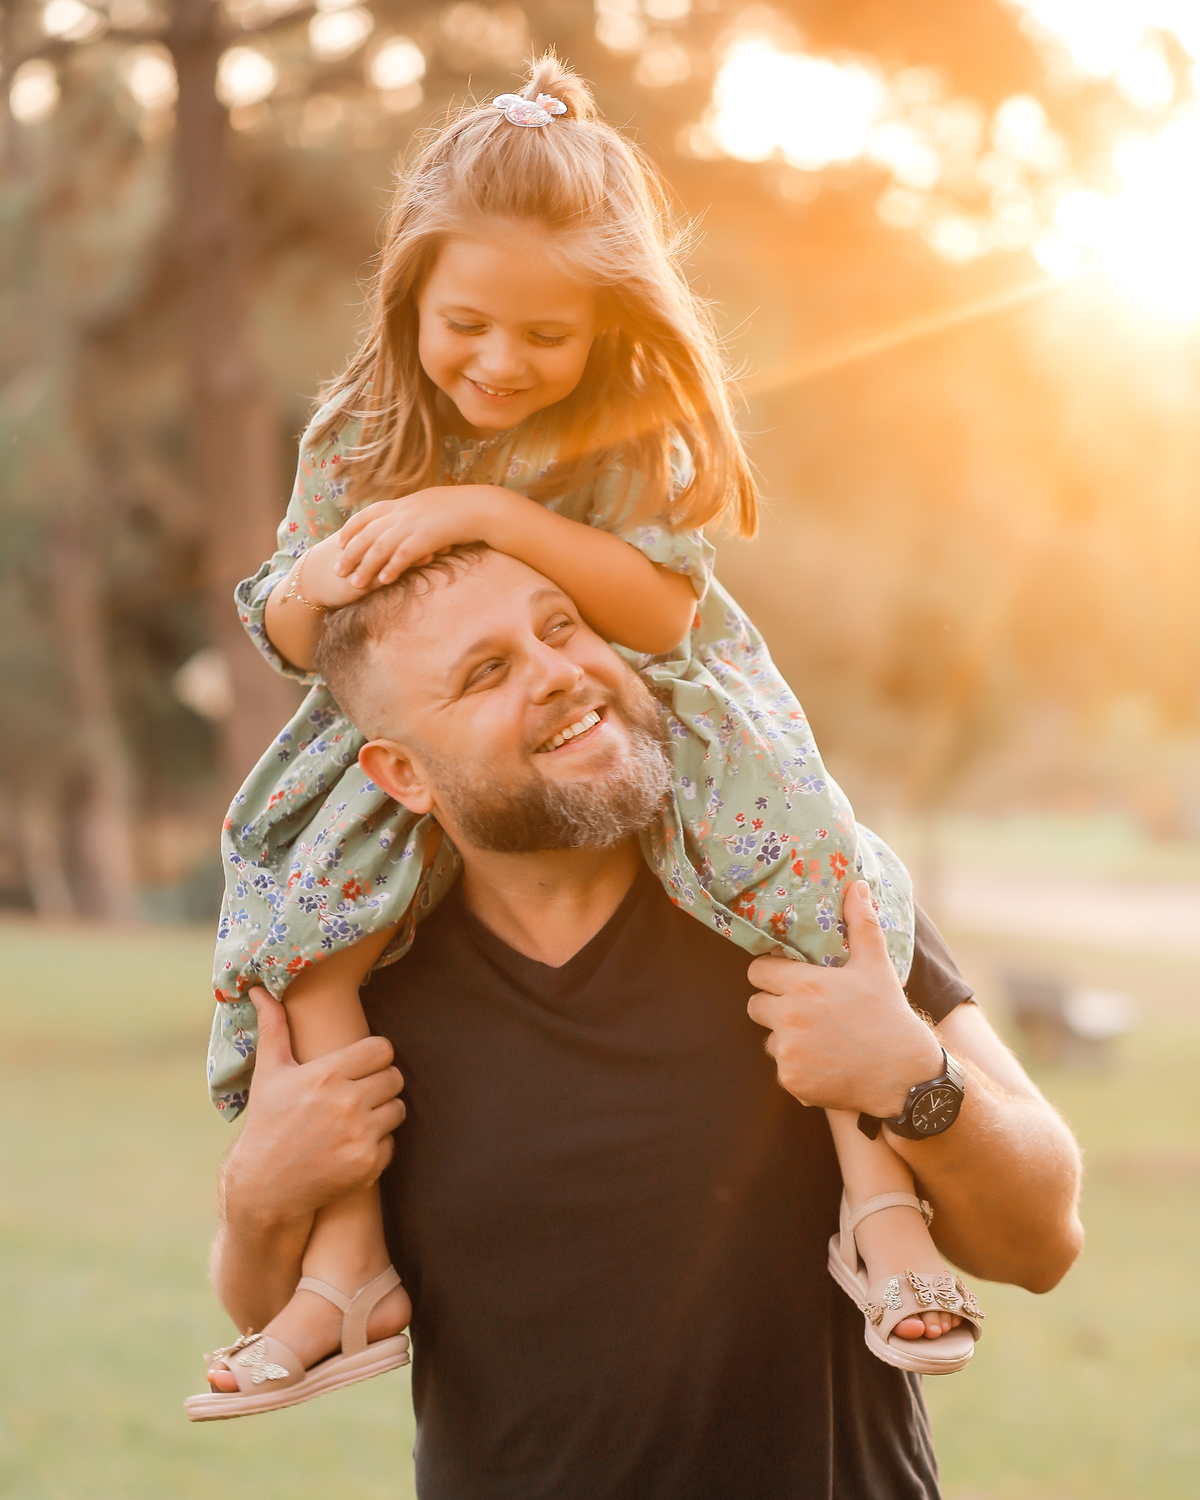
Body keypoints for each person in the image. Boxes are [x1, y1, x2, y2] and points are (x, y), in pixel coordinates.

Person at [197, 54, 974, 1413]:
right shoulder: (359, 430)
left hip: (647, 711)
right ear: (411, 301)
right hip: (416, 734)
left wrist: (481, 519)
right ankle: (347, 1267)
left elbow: (665, 613)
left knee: (800, 877)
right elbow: (288, 627)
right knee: (299, 940)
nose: (501, 364)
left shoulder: (629, 425)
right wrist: (321, 580)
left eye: (543, 338)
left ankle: (878, 1202)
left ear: (606, 325)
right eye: (468, 326)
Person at [200, 546, 1084, 1494]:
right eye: (487, 671)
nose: (558, 673)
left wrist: (914, 1080)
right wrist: (254, 1200)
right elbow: (287, 1308)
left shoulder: (794, 894)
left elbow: (1041, 1242)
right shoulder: (361, 986)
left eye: (561, 626)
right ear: (402, 772)